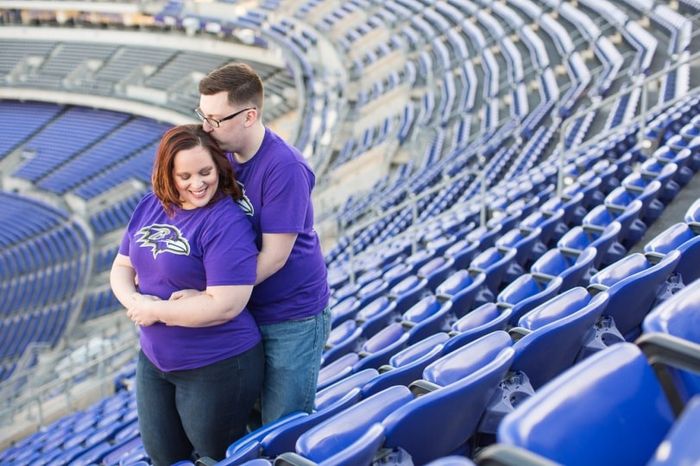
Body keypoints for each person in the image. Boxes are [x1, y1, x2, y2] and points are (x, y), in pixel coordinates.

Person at [110, 124, 264, 465]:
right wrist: (136, 302)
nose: (198, 183)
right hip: (154, 360)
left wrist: (157, 312)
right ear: (168, 174)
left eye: (206, 171)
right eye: (186, 175)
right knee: (163, 457)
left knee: (215, 458)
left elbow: (227, 305)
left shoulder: (225, 221)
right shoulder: (150, 205)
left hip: (217, 363)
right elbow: (121, 267)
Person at [194, 62, 331, 425]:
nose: (207, 128)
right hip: (247, 310)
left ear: (249, 116)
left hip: (292, 316)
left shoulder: (284, 168)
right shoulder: (220, 154)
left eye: (216, 119)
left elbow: (273, 258)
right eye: (203, 116)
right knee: (248, 421)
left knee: (282, 424)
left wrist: (213, 295)